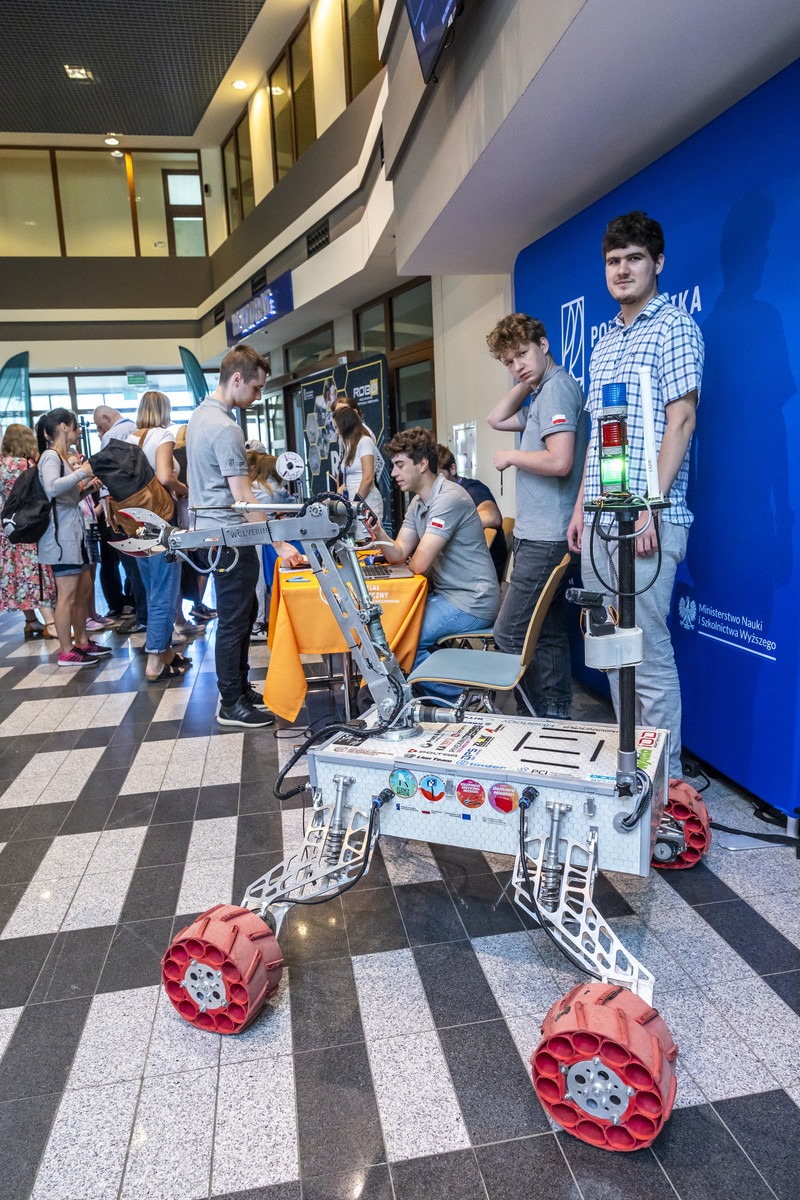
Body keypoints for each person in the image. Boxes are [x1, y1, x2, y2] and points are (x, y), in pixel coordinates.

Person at [566, 210, 704, 779]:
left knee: (645, 656)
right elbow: (599, 436)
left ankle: (664, 786)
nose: (622, 270)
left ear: (658, 263)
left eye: (634, 259)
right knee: (611, 650)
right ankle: (633, 767)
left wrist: (651, 505)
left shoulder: (674, 327)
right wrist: (581, 507)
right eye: (613, 261)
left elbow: (682, 420)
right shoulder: (603, 344)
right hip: (601, 518)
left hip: (649, 518)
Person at [187, 343, 302, 728]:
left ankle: (239, 689)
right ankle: (231, 703)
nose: (257, 396)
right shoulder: (225, 427)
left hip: (216, 535)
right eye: (255, 388)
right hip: (229, 538)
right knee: (235, 620)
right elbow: (243, 496)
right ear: (236, 379)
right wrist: (279, 542)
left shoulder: (200, 416)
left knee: (242, 613)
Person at [486, 313, 588, 719]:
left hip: (548, 536)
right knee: (545, 631)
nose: (517, 366)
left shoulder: (557, 388)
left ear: (544, 344)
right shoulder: (543, 390)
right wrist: (527, 379)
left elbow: (560, 461)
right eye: (509, 362)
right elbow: (496, 418)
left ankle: (535, 717)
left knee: (510, 632)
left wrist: (511, 456)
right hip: (541, 533)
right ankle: (554, 717)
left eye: (523, 354)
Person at [367, 427, 500, 694]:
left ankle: (462, 696)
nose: (393, 473)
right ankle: (430, 690)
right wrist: (377, 531)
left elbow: (418, 566)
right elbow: (399, 553)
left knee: (399, 638)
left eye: (400, 465)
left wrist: (405, 561)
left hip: (472, 602)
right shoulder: (418, 502)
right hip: (448, 596)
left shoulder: (449, 498)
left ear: (423, 464)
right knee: (393, 629)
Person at [36, 409, 112, 667]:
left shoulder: (61, 457)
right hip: (61, 535)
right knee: (67, 595)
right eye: (76, 426)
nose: (79, 432)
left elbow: (67, 495)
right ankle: (66, 651)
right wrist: (82, 473)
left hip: (72, 530)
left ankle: (81, 641)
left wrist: (87, 487)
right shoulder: (50, 456)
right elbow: (51, 488)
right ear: (63, 427)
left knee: (81, 590)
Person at [126, 391, 191, 681]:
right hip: (162, 521)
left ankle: (164, 652)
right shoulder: (162, 435)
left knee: (153, 588)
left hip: (137, 523)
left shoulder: (130, 438)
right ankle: (155, 661)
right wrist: (184, 489)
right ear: (164, 410)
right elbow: (165, 477)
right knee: (165, 590)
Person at [0, 423, 57, 640]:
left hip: (8, 527)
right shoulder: (29, 465)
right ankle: (50, 623)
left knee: (17, 573)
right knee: (36, 573)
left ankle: (30, 621)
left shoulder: (1, 465)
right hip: (30, 525)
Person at [94, 404, 145, 630]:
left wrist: (108, 513)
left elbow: (108, 478)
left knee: (132, 567)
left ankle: (142, 616)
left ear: (106, 418)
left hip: (122, 509)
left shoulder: (111, 436)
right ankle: (145, 612)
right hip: (143, 506)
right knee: (144, 564)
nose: (100, 431)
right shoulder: (138, 429)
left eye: (99, 426)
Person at [437, 444, 507, 582]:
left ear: (452, 469)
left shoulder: (472, 489)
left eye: (439, 476)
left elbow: (492, 517)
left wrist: (447, 525)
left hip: (480, 576)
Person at [247, 449, 291, 640]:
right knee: (262, 582)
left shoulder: (252, 486)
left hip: (248, 536)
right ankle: (258, 624)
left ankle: (257, 622)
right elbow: (291, 504)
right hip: (264, 538)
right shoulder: (274, 489)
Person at [332, 405, 383, 521]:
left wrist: (355, 505)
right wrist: (332, 499)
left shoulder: (365, 441)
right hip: (354, 504)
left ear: (345, 425)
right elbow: (348, 481)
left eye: (337, 427)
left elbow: (368, 478)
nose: (336, 432)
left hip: (366, 503)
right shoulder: (350, 446)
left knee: (367, 533)